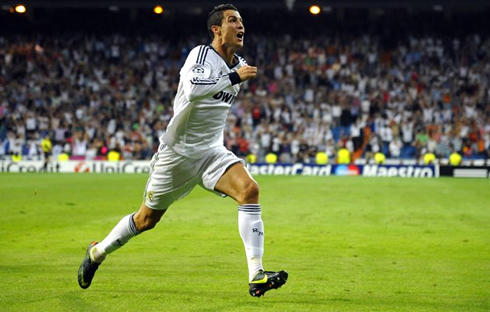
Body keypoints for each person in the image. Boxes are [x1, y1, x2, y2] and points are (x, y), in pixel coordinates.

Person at [77, 4, 288, 298]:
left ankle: (256, 275)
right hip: (177, 154)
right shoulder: (202, 55)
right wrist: (235, 77)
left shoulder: (239, 63)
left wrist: (235, 75)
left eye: (241, 21)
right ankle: (97, 253)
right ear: (216, 29)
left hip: (211, 152)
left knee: (249, 190)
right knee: (146, 220)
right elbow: (193, 90)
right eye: (232, 20)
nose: (241, 26)